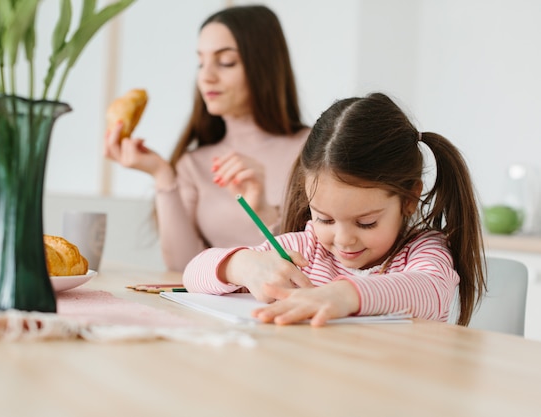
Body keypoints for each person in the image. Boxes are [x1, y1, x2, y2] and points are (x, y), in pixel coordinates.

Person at [183, 92, 486, 327]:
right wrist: (243, 266)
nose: (343, 240)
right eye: (325, 218)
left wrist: (344, 295)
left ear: (408, 199)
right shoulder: (304, 250)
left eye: (366, 222)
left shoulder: (422, 251)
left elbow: (430, 291)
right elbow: (192, 275)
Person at [104, 5, 309, 272]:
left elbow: (320, 260)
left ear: (264, 65)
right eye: (201, 62)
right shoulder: (194, 164)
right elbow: (182, 267)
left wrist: (265, 214)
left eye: (225, 62)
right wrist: (162, 176)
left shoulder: (314, 150)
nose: (206, 76)